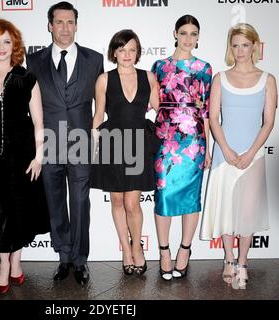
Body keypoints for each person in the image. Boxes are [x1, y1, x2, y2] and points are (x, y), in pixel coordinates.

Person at [0, 19, 50, 294]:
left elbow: (39, 123)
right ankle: (4, 265)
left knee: (20, 210)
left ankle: (16, 263)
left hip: (24, 155)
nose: (1, 47)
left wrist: (39, 157)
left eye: (7, 41)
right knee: (1, 210)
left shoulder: (26, 77)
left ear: (14, 45)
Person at [26, 1, 104, 286]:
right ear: (50, 25)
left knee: (81, 201)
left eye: (70, 22)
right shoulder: (34, 61)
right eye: (59, 22)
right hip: (48, 143)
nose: (65, 28)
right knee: (55, 201)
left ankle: (80, 259)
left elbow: (101, 102)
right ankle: (63, 257)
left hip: (81, 142)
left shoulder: (94, 59)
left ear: (76, 24)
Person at [200, 23, 277, 289]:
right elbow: (213, 119)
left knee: (247, 211)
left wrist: (251, 153)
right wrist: (228, 150)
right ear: (230, 48)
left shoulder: (268, 79)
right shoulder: (220, 78)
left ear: (254, 46)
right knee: (224, 209)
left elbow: (268, 122)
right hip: (224, 153)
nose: (241, 50)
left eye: (245, 44)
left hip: (252, 155)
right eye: (236, 45)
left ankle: (243, 262)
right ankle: (229, 259)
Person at [91, 29, 159, 276]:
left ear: (137, 52)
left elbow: (162, 110)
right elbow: (99, 115)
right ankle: (126, 252)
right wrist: (93, 145)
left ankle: (137, 247)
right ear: (114, 52)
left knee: (133, 202)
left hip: (139, 143)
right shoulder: (104, 79)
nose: (127, 54)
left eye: (132, 49)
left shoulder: (149, 77)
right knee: (117, 200)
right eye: (122, 49)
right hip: (112, 142)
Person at [152, 15, 212, 281]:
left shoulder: (204, 68)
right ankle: (164, 251)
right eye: (184, 33)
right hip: (166, 137)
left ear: (198, 37)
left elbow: (208, 111)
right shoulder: (160, 66)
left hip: (194, 140)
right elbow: (152, 102)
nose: (189, 38)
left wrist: (207, 147)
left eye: (194, 33)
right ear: (175, 33)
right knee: (163, 195)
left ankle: (185, 250)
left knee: (191, 197)